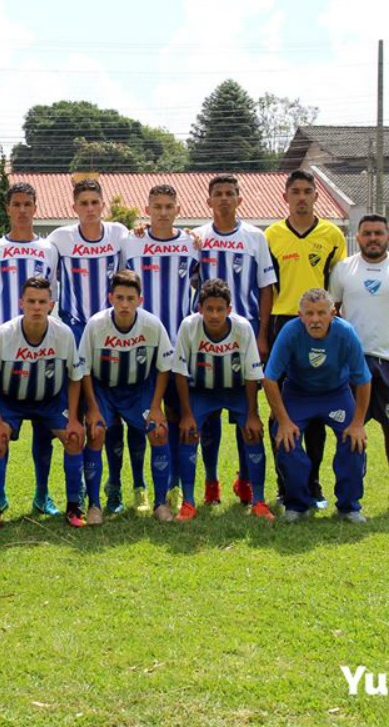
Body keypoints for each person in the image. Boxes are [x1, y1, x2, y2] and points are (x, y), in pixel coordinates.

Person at [46, 178, 147, 516]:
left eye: (95, 202)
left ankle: (118, 486)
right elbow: (41, 271)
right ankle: (78, 491)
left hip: (112, 334)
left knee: (116, 417)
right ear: (73, 207)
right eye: (83, 203)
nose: (90, 208)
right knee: (79, 418)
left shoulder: (119, 234)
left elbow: (139, 253)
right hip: (76, 334)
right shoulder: (59, 239)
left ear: (103, 205)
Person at [330, 214, 389, 514]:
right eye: (367, 233)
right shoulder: (344, 269)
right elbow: (333, 310)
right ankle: (349, 494)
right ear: (358, 238)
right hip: (353, 362)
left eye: (378, 233)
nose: (373, 238)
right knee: (350, 427)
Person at [264, 169, 348, 508]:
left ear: (316, 195)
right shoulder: (271, 235)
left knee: (316, 408)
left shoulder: (332, 235)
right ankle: (285, 484)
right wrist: (263, 334)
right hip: (283, 322)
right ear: (285, 196)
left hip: (320, 325)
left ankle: (312, 483)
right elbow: (266, 289)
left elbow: (339, 288)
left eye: (307, 191)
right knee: (280, 408)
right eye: (295, 191)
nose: (301, 197)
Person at [0, 182, 63, 516]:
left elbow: (53, 295)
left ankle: (42, 494)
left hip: (42, 351)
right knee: (0, 429)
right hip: (6, 354)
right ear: (8, 209)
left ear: (35, 208)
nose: (22, 210)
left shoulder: (49, 249)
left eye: (28, 204)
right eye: (16, 204)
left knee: (44, 429)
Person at [193, 174, 276, 507]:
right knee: (209, 415)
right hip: (206, 337)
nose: (224, 198)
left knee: (246, 412)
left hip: (246, 336)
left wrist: (262, 334)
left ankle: (245, 480)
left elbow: (266, 288)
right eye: (218, 194)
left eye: (230, 193)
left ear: (240, 200)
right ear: (209, 201)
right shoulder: (197, 238)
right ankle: (211, 480)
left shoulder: (255, 237)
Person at [119, 184, 199, 513]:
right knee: (139, 420)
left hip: (179, 347)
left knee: (178, 416)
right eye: (157, 206)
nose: (163, 212)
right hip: (140, 347)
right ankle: (139, 486)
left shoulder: (192, 244)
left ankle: (175, 486)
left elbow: (201, 286)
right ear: (147, 209)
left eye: (169, 206)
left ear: (178, 210)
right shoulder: (131, 242)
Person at [262, 288, 371, 523]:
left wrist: (358, 423)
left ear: (333, 313)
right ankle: (297, 505)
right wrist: (283, 421)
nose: (315, 319)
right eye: (309, 313)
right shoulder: (290, 332)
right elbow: (269, 378)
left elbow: (363, 380)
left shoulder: (346, 333)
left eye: (321, 313)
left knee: (354, 441)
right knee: (286, 440)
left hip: (336, 394)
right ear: (300, 315)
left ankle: (349, 507)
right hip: (298, 395)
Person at [0, 277, 85, 530]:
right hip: (11, 399)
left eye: (42, 302)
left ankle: (72, 506)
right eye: (31, 301)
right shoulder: (5, 334)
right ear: (21, 303)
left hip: (51, 400)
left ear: (51, 304)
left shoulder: (63, 334)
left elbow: (75, 377)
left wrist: (74, 419)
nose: (37, 307)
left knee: (74, 438)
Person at [77, 270, 176, 527]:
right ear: (110, 298)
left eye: (130, 298)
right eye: (119, 297)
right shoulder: (96, 325)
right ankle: (94, 505)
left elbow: (164, 367)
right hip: (103, 390)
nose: (124, 304)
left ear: (140, 300)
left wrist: (156, 407)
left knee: (159, 431)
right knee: (96, 432)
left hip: (138, 391)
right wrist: (92, 408)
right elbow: (83, 369)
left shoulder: (152, 325)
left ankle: (160, 503)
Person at [172, 279, 273, 522]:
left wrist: (252, 414)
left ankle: (258, 500)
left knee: (252, 432)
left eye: (220, 309)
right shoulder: (189, 326)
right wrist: (186, 414)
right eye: (209, 309)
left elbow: (252, 374)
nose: (215, 315)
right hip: (202, 391)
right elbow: (180, 372)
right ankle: (191, 500)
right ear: (200, 308)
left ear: (229, 309)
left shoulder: (243, 327)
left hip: (236, 390)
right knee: (189, 432)